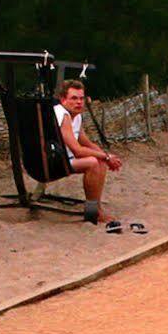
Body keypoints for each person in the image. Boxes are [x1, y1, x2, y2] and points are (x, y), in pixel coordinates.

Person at [57, 76, 123, 224]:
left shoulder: (76, 116)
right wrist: (105, 157)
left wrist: (106, 156)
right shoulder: (62, 115)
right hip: (56, 162)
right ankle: (93, 212)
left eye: (81, 98)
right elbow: (78, 151)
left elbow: (85, 142)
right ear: (63, 100)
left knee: (99, 160)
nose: (79, 102)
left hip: (68, 158)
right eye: (74, 98)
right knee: (93, 162)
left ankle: (96, 207)